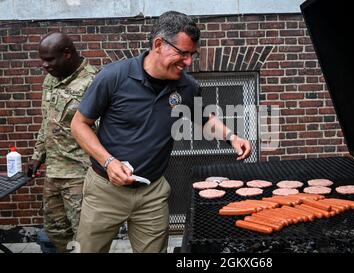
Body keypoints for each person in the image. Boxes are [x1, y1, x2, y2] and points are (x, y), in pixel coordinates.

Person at [70, 11, 251, 253]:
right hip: (105, 190)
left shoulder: (187, 86)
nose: (188, 62)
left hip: (152, 193)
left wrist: (232, 137)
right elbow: (79, 124)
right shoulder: (113, 77)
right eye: (182, 53)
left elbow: (204, 118)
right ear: (158, 44)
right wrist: (109, 161)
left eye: (192, 55)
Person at [27, 32, 97, 252]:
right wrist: (38, 156)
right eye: (42, 60)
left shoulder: (93, 82)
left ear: (67, 54)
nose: (44, 65)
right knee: (56, 231)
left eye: (49, 60)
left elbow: (104, 130)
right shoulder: (51, 80)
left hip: (80, 174)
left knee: (84, 236)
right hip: (54, 173)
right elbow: (47, 122)